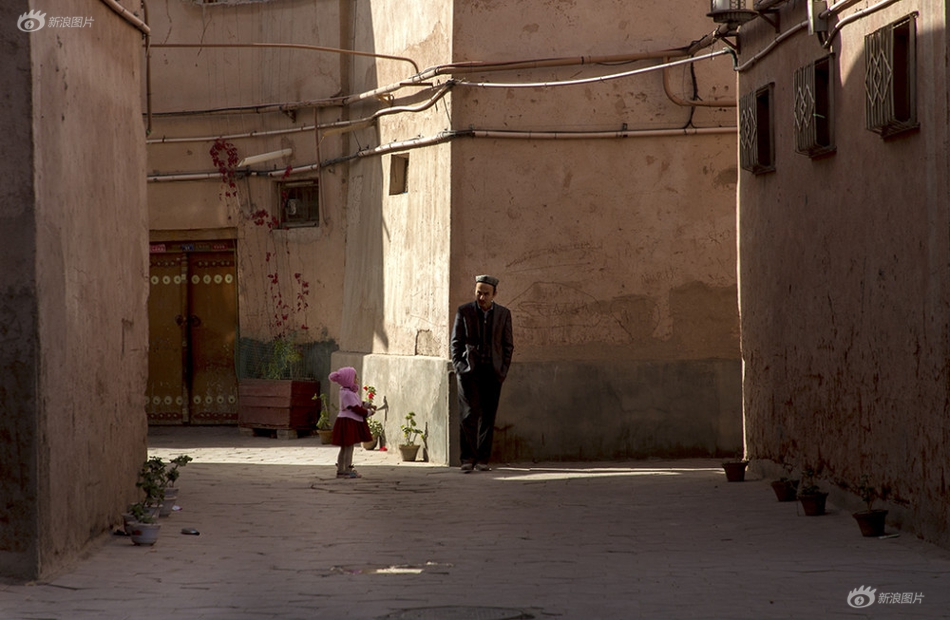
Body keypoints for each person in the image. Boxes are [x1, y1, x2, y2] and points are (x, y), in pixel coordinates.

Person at [451, 274, 514, 472]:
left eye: (486, 294)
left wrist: (502, 370)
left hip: (493, 372)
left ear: (494, 294)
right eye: (479, 292)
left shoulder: (503, 314)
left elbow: (508, 345)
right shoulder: (465, 311)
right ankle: (467, 459)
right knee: (468, 414)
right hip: (469, 372)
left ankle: (483, 460)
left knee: (488, 416)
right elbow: (456, 343)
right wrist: (459, 367)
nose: (481, 297)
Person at [328, 366, 374, 479]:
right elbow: (355, 408)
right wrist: (368, 412)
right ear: (348, 379)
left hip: (347, 421)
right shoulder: (347, 393)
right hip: (348, 422)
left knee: (345, 446)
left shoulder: (348, 391)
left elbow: (357, 402)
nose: (357, 379)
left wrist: (368, 405)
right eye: (355, 377)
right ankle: (347, 469)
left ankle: (341, 469)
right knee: (348, 446)